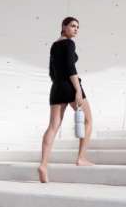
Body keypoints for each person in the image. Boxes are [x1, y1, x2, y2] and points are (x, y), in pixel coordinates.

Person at [38, 17, 94, 183]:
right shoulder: (69, 44)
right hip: (70, 86)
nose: (76, 29)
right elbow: (71, 67)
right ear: (64, 26)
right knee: (88, 120)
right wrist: (77, 90)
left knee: (53, 126)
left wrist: (58, 83)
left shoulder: (54, 45)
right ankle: (81, 158)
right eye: (73, 26)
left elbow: (52, 70)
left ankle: (43, 165)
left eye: (77, 27)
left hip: (56, 87)